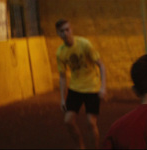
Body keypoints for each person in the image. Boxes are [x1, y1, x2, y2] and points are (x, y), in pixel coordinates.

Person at [56, 19, 107, 149]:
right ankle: (81, 147)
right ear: (58, 33)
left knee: (91, 123)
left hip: (92, 88)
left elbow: (101, 65)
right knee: (68, 121)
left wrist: (103, 87)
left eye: (67, 30)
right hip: (75, 88)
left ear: (71, 30)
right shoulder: (60, 52)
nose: (65, 33)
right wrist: (62, 98)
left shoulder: (84, 44)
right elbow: (62, 77)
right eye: (62, 31)